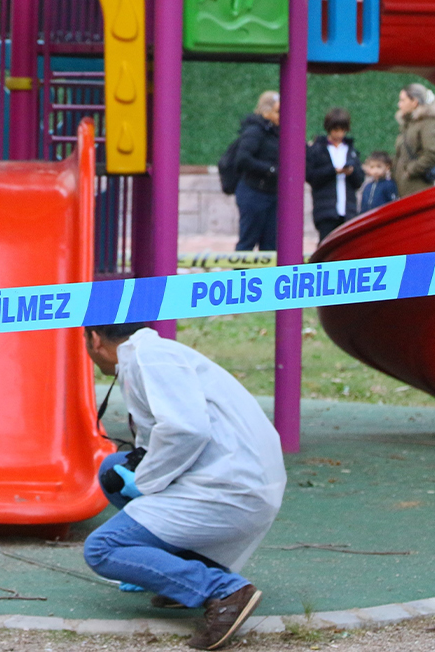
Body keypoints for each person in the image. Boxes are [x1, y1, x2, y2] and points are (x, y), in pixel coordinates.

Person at [82, 322, 286, 651]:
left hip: (230, 491)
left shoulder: (152, 360)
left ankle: (223, 591)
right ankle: (183, 572)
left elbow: (187, 431)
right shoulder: (148, 356)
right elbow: (166, 437)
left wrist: (145, 482)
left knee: (102, 549)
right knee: (113, 468)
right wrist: (138, 469)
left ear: (94, 340)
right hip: (237, 482)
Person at [305, 107, 365, 241]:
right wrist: (333, 171)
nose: (339, 134)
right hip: (326, 211)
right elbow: (311, 177)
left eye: (342, 130)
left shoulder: (351, 150)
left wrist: (351, 172)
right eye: (336, 130)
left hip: (348, 211)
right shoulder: (317, 149)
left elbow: (359, 181)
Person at [233, 91, 281, 252]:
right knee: (248, 241)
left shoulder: (278, 131)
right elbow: (243, 158)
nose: (282, 115)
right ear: (266, 112)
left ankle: (266, 277)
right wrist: (271, 169)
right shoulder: (255, 131)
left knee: (271, 245)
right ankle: (241, 276)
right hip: (254, 192)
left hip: (272, 193)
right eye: (278, 111)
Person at [392, 83, 435, 198]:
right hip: (402, 189)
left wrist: (409, 171)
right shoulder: (409, 123)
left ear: (415, 102)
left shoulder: (429, 123)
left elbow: (432, 154)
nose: (399, 104)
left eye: (403, 100)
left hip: (417, 189)